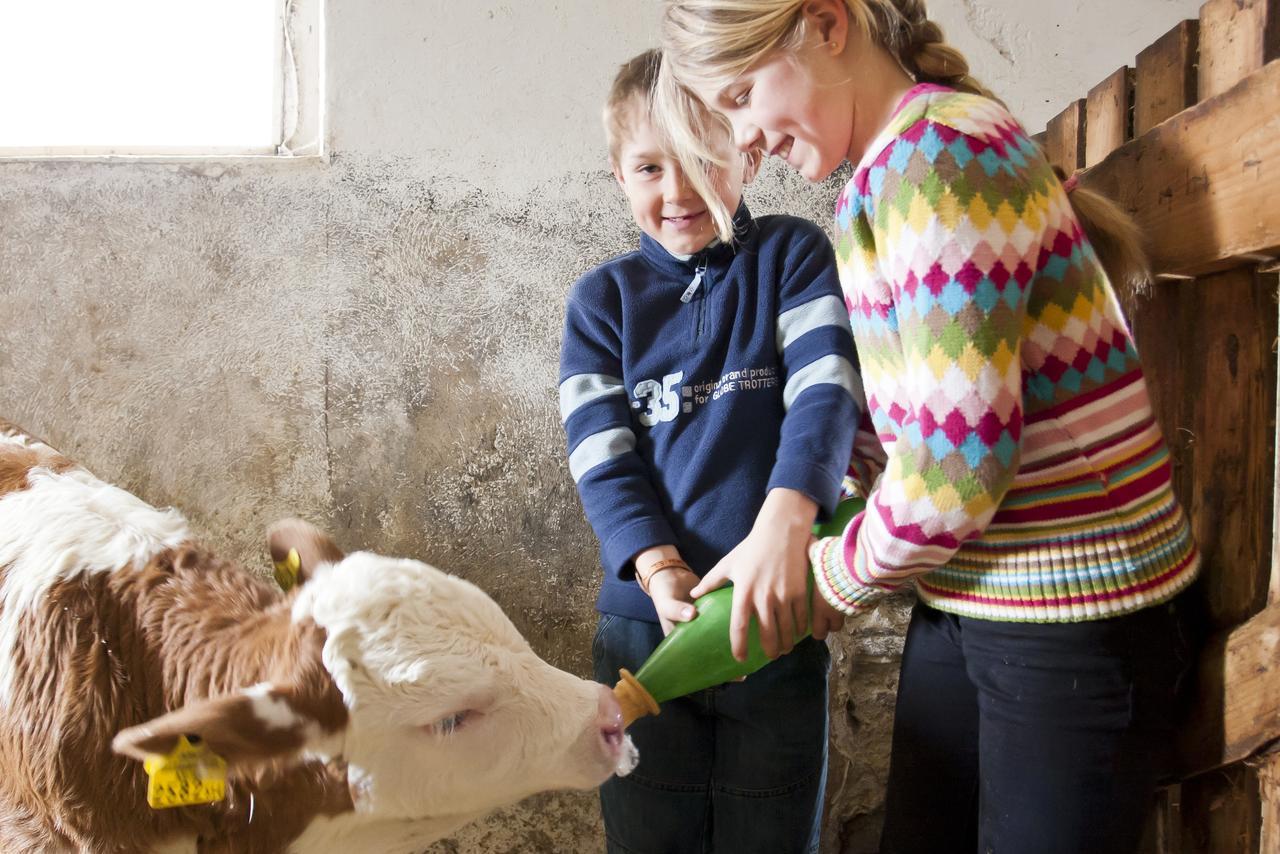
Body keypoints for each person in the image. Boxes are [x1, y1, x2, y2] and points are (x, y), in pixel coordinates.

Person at [656, 2, 1202, 852]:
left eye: (739, 97)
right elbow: (902, 421)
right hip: (973, 593)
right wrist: (806, 519)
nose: (746, 143)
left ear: (827, 26)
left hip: (1075, 607)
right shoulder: (880, 178)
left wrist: (833, 579)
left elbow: (956, 469)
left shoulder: (939, 161)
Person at [560, 48, 865, 854]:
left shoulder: (794, 258)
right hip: (642, 630)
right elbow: (601, 454)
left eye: (701, 159)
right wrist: (658, 569)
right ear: (619, 177)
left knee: (772, 826)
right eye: (650, 167)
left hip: (774, 622)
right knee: (649, 830)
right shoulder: (602, 304)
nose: (677, 190)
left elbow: (825, 395)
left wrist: (784, 533)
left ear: (748, 151)